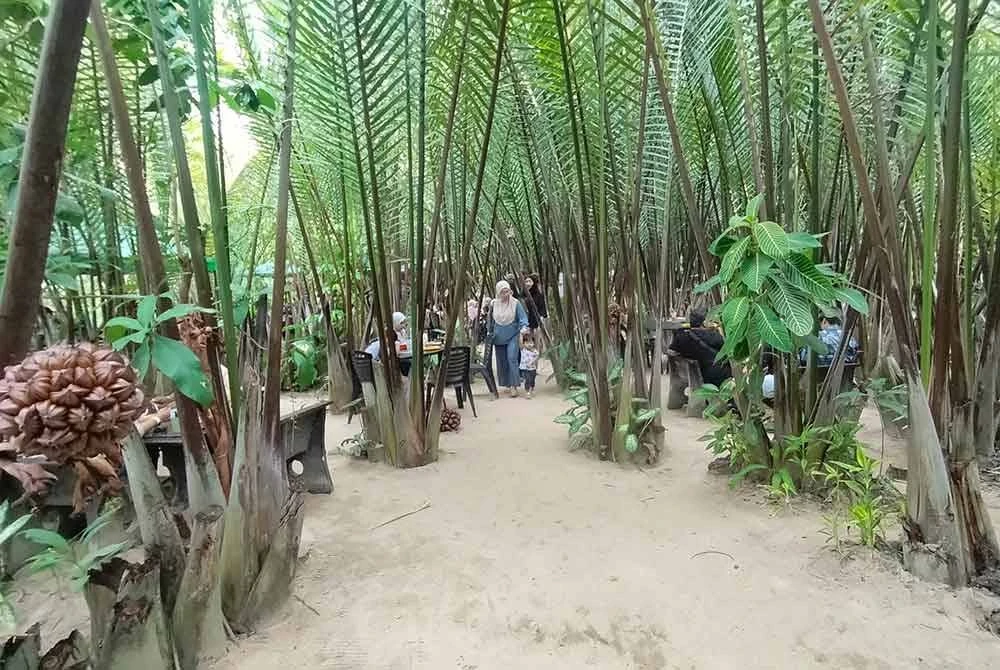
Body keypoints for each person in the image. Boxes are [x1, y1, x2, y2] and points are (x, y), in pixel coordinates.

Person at [669, 307, 732, 386]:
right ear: (704, 322)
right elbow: (729, 349)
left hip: (703, 376)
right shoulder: (714, 336)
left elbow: (671, 352)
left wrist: (686, 357)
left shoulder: (683, 337)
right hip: (723, 373)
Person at [488, 280, 528, 397]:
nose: (506, 295)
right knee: (502, 361)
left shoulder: (516, 303)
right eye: (503, 292)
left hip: (513, 335)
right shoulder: (494, 304)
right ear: (498, 293)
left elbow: (523, 318)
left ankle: (514, 385)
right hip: (498, 336)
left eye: (507, 292)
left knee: (512, 358)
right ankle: (506, 383)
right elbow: (490, 320)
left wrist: (523, 328)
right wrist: (489, 332)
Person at [519, 331, 540, 399]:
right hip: (525, 368)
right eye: (527, 342)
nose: (529, 344)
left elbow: (537, 357)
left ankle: (532, 388)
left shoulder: (535, 351)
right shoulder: (523, 349)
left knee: (532, 380)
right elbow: (520, 342)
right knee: (527, 379)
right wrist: (521, 334)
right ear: (524, 343)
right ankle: (527, 392)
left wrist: (532, 362)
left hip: (532, 368)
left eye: (531, 342)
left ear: (533, 343)